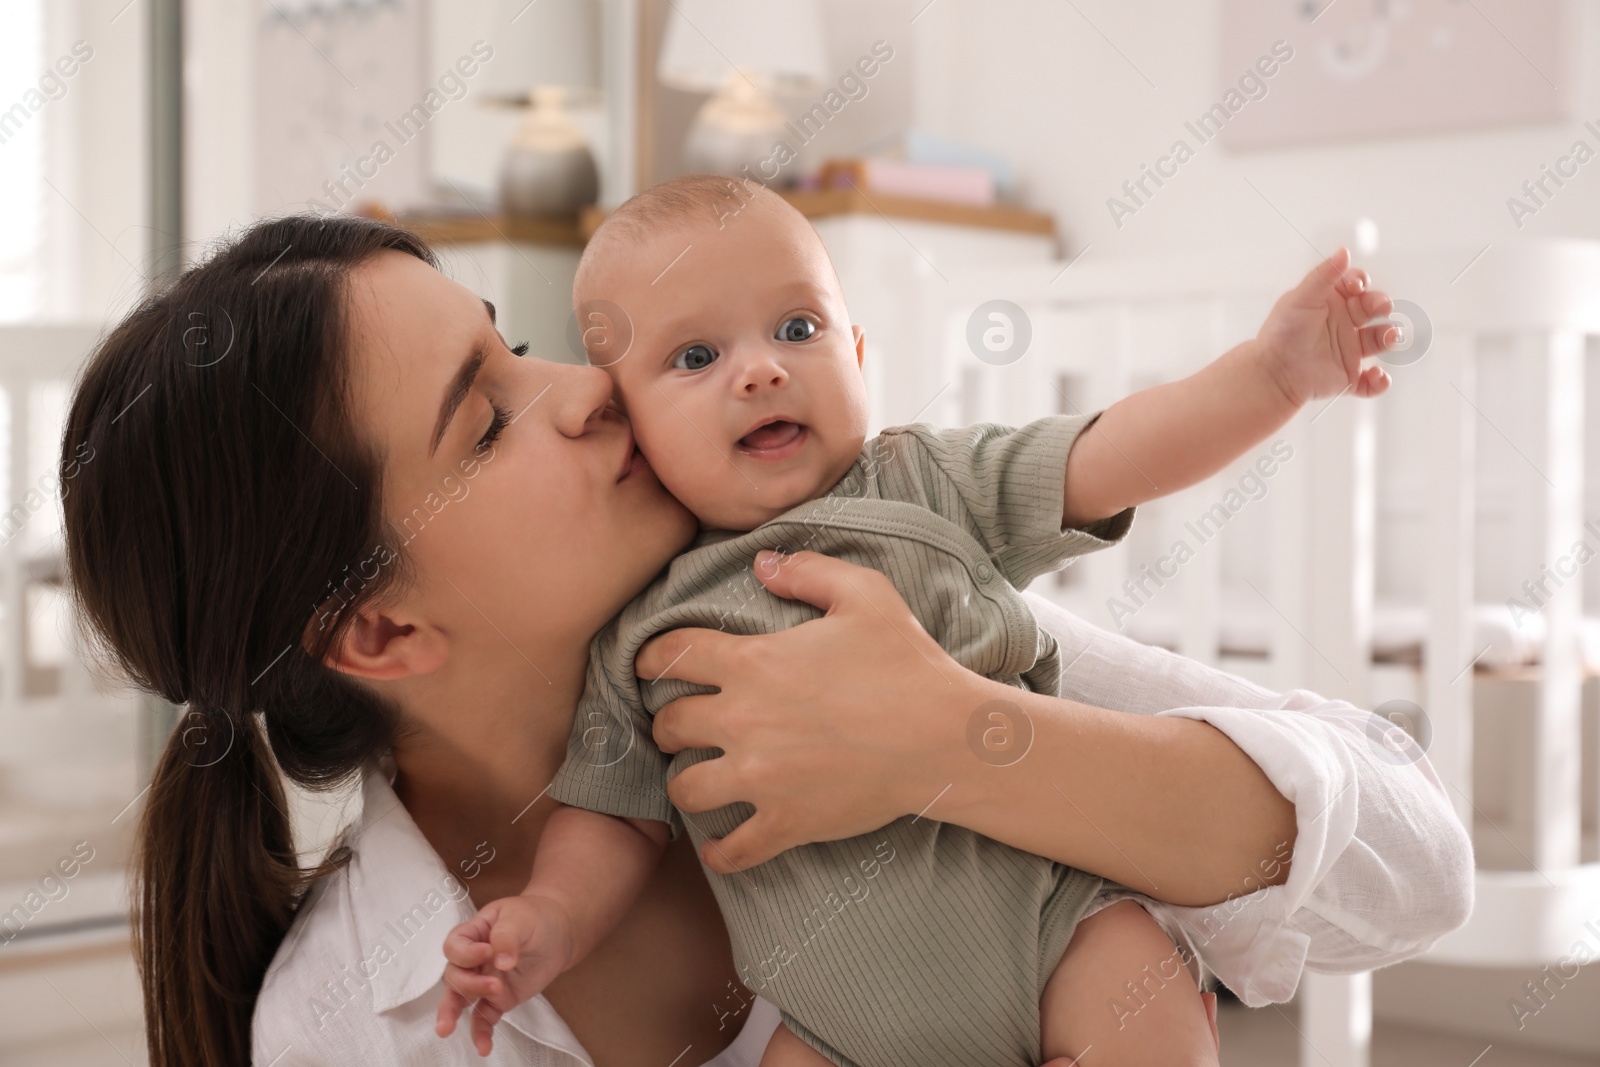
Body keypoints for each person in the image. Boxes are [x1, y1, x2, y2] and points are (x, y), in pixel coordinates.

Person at [57, 213, 1472, 1067]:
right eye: (487, 417)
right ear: (377, 623)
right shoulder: (361, 1021)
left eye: (516, 340)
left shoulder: (828, 593)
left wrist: (962, 740)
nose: (586, 390)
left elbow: (1414, 865)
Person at [436, 177, 1398, 1067]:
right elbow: (612, 818)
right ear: (634, 425)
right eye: (697, 357)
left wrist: (1270, 378)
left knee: (1146, 1003)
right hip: (829, 1027)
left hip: (1051, 937)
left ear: (857, 355)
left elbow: (1111, 453)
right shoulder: (640, 631)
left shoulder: (923, 481)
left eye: (798, 326)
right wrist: (550, 919)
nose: (762, 370)